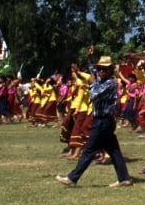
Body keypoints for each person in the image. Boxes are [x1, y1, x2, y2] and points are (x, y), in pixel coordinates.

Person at [56, 56, 132, 188]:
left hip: (104, 121)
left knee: (89, 150)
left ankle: (72, 178)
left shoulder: (109, 83)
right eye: (99, 69)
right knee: (114, 151)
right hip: (102, 121)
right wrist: (89, 60)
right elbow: (93, 72)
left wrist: (90, 84)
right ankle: (124, 178)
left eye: (104, 69)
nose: (100, 71)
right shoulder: (100, 79)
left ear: (110, 70)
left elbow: (94, 95)